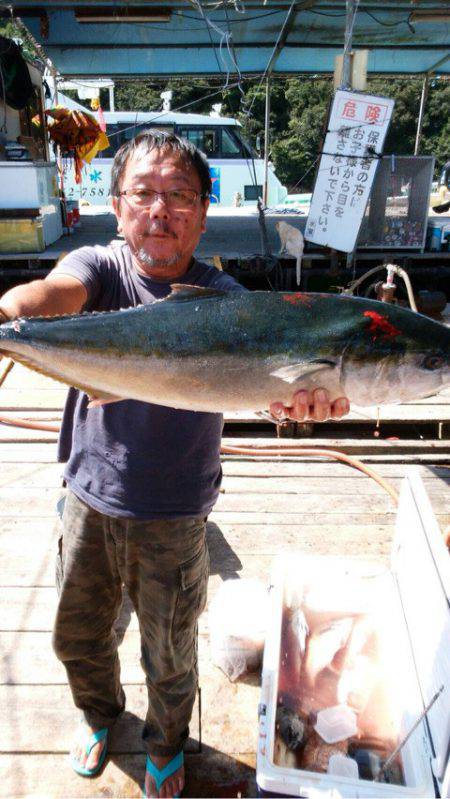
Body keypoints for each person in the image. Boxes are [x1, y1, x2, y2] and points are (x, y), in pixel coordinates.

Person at [0, 131, 350, 798]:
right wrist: (10, 313)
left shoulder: (231, 301)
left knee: (171, 650)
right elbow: (52, 294)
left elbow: (275, 389)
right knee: (77, 634)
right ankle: (99, 713)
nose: (160, 210)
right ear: (118, 204)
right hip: (88, 498)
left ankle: (164, 743)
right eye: (144, 194)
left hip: (176, 512)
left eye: (180, 196)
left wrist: (303, 401)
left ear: (203, 210)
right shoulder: (99, 270)